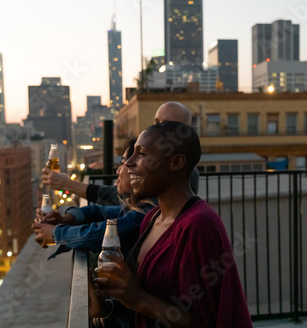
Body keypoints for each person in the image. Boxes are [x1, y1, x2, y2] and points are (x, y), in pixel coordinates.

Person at [94, 122, 253, 327]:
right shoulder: (151, 218)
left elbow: (208, 321)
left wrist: (138, 298)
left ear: (176, 162)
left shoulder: (199, 225)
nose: (129, 163)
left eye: (141, 154)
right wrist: (106, 307)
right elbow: (153, 303)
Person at [41, 101, 198, 205]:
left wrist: (62, 230)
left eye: (167, 124)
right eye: (156, 122)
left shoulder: (180, 173)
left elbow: (128, 212)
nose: (128, 165)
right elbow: (118, 198)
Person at [32, 138, 155, 258]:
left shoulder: (145, 214)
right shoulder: (138, 206)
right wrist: (66, 218)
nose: (117, 171)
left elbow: (97, 234)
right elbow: (100, 211)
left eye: (123, 164)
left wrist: (56, 234)